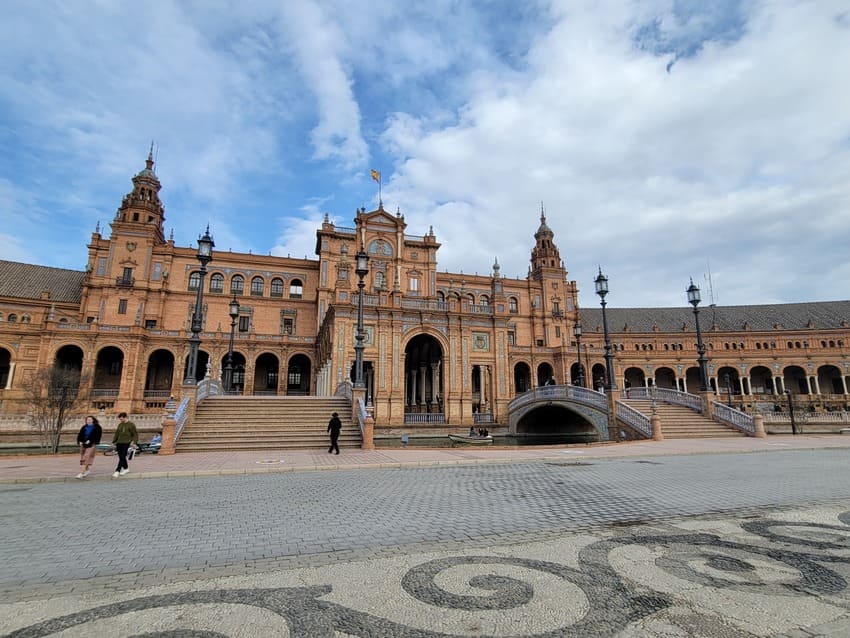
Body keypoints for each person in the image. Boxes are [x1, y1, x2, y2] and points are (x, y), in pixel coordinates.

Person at [112, 412, 138, 477]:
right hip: (119, 442)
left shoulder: (131, 425)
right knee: (121, 456)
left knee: (123, 455)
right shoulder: (120, 424)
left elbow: (135, 434)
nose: (121, 420)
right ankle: (126, 468)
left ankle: (117, 470)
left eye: (121, 419)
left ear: (125, 417)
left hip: (127, 442)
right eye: (120, 419)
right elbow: (117, 434)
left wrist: (134, 442)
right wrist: (113, 442)